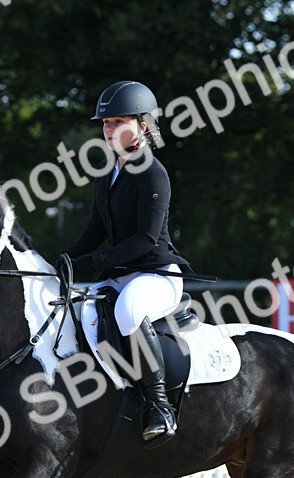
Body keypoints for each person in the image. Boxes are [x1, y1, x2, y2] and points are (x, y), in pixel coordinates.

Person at [59, 80, 195, 447]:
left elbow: (146, 239)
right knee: (75, 309)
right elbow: (95, 227)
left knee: (128, 312)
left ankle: (159, 407)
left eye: (119, 122)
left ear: (143, 126)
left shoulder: (153, 173)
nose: (110, 130)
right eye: (105, 123)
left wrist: (95, 261)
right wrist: (68, 259)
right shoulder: (107, 174)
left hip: (156, 275)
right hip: (122, 274)